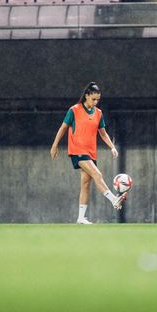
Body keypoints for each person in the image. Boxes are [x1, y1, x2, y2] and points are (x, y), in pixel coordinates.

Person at [50, 81, 127, 224]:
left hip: (91, 152)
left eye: (98, 99)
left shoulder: (98, 113)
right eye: (93, 99)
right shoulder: (74, 110)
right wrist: (54, 145)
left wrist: (112, 147)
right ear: (86, 96)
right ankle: (114, 199)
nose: (96, 102)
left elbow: (103, 134)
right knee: (97, 174)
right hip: (77, 151)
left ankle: (80, 218)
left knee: (86, 184)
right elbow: (63, 128)